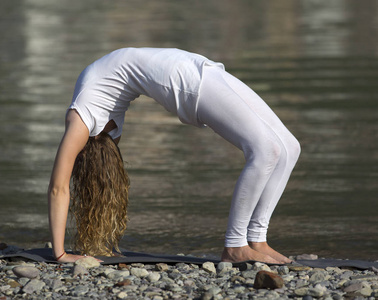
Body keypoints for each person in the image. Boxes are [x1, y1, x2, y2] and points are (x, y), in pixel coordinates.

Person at [48, 47, 300, 264]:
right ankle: (235, 246)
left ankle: (257, 239)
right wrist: (60, 255)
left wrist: (60, 253)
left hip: (197, 68)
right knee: (267, 151)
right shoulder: (87, 124)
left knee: (290, 147)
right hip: (187, 83)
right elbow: (59, 188)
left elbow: (58, 187)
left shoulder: (84, 119)